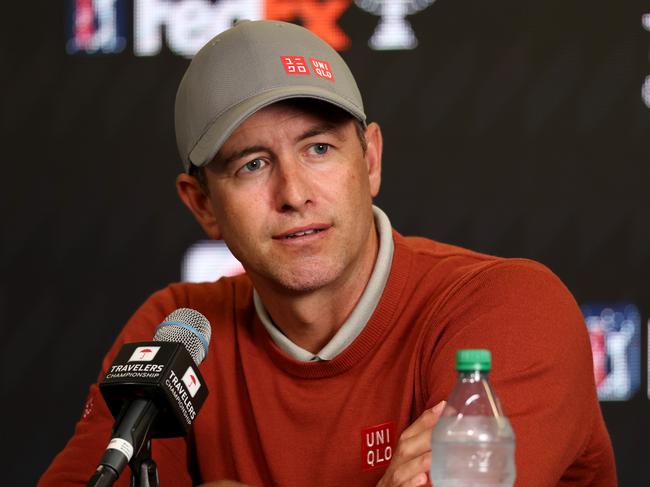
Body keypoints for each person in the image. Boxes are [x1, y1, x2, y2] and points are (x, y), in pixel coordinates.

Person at [39, 20, 616, 487]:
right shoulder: (179, 333)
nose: (294, 193)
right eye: (252, 165)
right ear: (202, 205)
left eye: (318, 147)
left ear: (369, 161)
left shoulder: (509, 307)